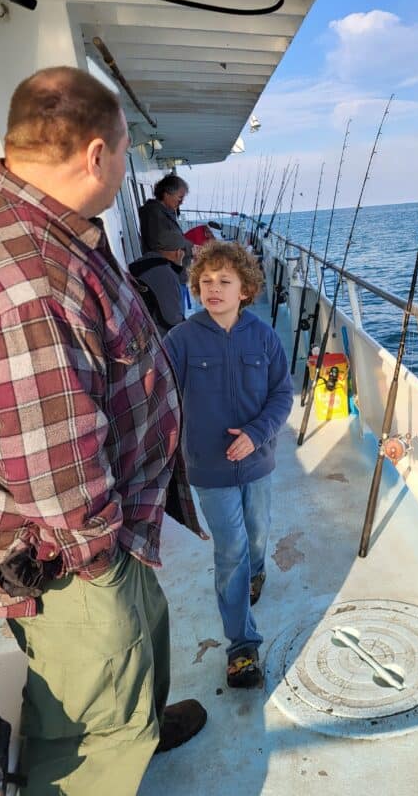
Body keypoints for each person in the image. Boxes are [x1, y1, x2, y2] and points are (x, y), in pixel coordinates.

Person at [0, 66, 208, 796]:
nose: (121, 175)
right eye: (120, 154)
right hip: (75, 553)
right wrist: (103, 558)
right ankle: (119, 734)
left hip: (112, 527)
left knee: (133, 650)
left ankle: (138, 712)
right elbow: (54, 472)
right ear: (95, 155)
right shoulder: (34, 282)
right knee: (88, 716)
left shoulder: (34, 223)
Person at [164, 242, 293, 688]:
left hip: (258, 462)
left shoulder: (264, 337)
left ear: (246, 290)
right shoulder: (180, 340)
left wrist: (257, 434)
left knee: (257, 532)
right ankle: (242, 645)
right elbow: (160, 397)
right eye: (205, 282)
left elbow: (281, 395)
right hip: (209, 469)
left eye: (224, 281)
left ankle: (258, 572)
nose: (213, 289)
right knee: (231, 548)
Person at [129, 237, 186, 338]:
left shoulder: (147, 261)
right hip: (151, 337)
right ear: (178, 252)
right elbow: (172, 319)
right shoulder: (165, 274)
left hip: (135, 324)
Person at [138, 172, 192, 257]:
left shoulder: (165, 212)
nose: (181, 202)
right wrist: (191, 248)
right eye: (180, 197)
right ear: (166, 194)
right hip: (161, 266)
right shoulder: (153, 212)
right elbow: (162, 239)